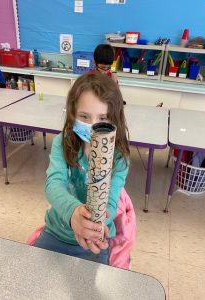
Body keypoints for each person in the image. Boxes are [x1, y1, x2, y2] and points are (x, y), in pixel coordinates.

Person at [34, 73, 130, 265]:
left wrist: (90, 227)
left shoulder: (119, 157)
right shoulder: (63, 143)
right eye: (84, 116)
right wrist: (73, 213)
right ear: (72, 114)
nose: (93, 126)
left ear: (115, 119)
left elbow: (110, 201)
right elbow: (53, 184)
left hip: (96, 237)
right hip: (57, 232)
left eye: (103, 118)